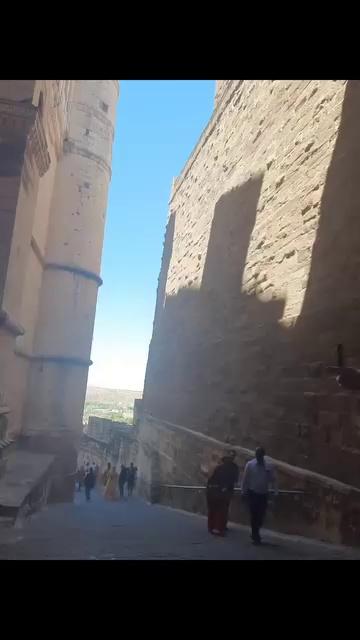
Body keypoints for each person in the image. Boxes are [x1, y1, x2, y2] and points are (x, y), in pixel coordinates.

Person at [241, 446, 278, 545]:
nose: (258, 456)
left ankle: (256, 530)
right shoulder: (250, 465)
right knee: (254, 514)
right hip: (252, 493)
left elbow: (273, 479)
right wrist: (243, 492)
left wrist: (275, 492)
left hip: (263, 494)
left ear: (263, 455)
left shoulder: (268, 466)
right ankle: (255, 534)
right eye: (257, 455)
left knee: (261, 515)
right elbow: (245, 479)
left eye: (260, 455)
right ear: (255, 455)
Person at [206, 453, 240, 536]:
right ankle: (220, 528)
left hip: (215, 491)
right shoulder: (233, 468)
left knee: (214, 510)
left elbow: (211, 479)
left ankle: (212, 527)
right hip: (224, 492)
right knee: (222, 510)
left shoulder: (219, 468)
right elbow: (235, 480)